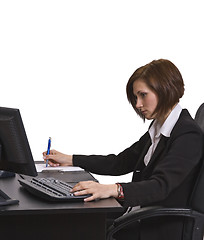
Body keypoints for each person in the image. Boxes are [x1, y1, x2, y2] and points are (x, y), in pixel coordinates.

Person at [43, 59, 204, 240]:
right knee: (69, 221)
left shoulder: (188, 134)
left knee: (70, 227)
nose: (137, 104)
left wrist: (113, 189)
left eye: (143, 95)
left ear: (165, 89)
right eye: (136, 97)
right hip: (138, 216)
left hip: (156, 228)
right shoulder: (159, 128)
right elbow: (119, 162)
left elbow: (160, 186)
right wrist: (71, 159)